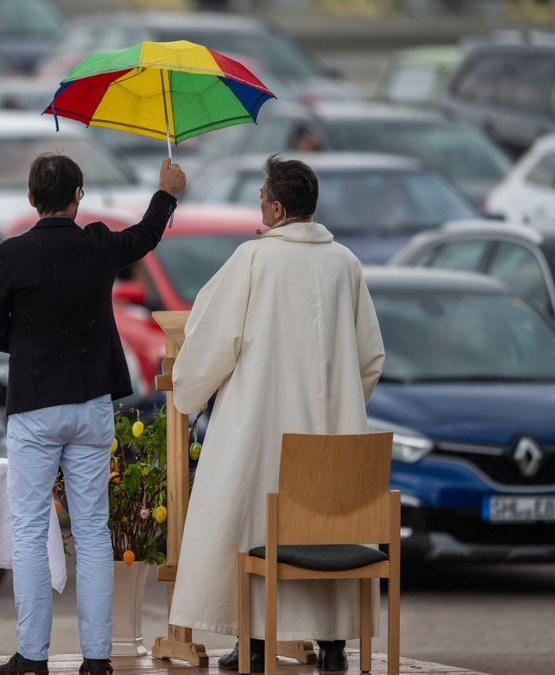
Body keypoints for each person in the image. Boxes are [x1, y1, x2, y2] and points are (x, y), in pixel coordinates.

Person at [168, 154, 385, 673]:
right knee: (328, 527)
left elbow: (212, 340)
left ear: (278, 207)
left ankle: (257, 642)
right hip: (331, 434)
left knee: (252, 520)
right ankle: (332, 645)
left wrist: (187, 393)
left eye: (262, 197)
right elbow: (370, 357)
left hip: (259, 427)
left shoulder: (253, 259)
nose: (258, 206)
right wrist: (341, 406)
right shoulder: (346, 263)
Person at [0, 154, 186, 675]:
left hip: (34, 404)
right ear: (79, 197)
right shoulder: (97, 246)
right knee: (92, 531)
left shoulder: (12, 254)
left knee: (29, 529)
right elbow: (144, 236)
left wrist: (27, 346)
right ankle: (97, 659)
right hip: (92, 403)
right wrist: (167, 192)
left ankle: (33, 656)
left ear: (31, 199)